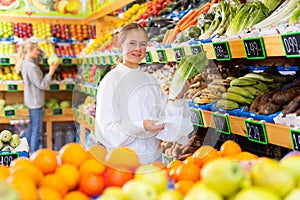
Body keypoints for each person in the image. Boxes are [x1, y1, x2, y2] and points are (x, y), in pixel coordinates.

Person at [95, 23, 193, 164]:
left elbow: (167, 122)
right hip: (125, 163)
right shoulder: (111, 80)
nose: (138, 49)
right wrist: (142, 126)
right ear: (120, 45)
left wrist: (176, 98)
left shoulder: (150, 80)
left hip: (155, 161)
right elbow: (107, 131)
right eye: (132, 43)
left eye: (142, 44)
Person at [15, 40, 59, 153]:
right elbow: (42, 84)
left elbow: (39, 58)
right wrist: (51, 72)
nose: (38, 51)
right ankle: (33, 153)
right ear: (29, 51)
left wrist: (42, 44)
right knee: (36, 129)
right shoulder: (32, 67)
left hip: (31, 100)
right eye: (36, 49)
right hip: (36, 102)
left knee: (33, 125)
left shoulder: (26, 63)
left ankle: (24, 149)